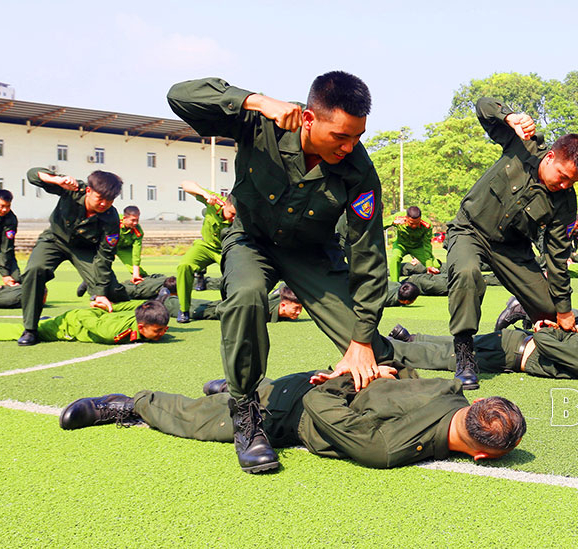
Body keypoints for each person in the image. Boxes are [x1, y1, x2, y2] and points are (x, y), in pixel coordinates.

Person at [168, 72, 393, 473]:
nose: (349, 146)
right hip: (252, 241)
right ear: (309, 119)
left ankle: (242, 384)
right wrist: (254, 100)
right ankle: (245, 411)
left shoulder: (358, 170)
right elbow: (180, 96)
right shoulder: (261, 123)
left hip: (311, 253)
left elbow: (368, 253)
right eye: (340, 136)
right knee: (246, 297)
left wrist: (360, 340)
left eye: (357, 136)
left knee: (373, 351)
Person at [58, 373, 526, 471]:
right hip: (304, 400)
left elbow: (402, 376)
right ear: (483, 454)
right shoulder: (392, 446)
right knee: (203, 423)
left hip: (319, 392)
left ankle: (238, 387)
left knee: (241, 399)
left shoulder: (450, 393)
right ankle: (130, 403)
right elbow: (323, 405)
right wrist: (354, 377)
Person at [445, 96, 578, 390]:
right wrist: (509, 116)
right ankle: (464, 352)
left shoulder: (565, 202)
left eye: (572, 182)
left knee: (553, 314)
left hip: (511, 249)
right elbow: (483, 106)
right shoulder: (522, 144)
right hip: (470, 230)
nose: (564, 185)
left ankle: (520, 308)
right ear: (551, 157)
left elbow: (556, 256)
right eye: (562, 177)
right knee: (467, 274)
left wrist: (563, 309)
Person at [18, 168, 123, 346]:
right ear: (89, 191)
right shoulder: (73, 189)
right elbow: (32, 175)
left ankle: (89, 279)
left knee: (110, 288)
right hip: (55, 240)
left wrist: (99, 292)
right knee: (34, 271)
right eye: (100, 198)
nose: (104, 204)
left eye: (110, 200)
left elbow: (105, 256)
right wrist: (56, 180)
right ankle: (30, 329)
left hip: (85, 250)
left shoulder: (111, 218)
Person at [389, 322, 578, 380]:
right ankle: (388, 347)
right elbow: (545, 342)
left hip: (513, 343)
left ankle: (410, 337)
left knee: (456, 346)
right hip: (512, 352)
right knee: (440, 358)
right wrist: (549, 329)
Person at [174, 180, 236, 323]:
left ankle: (230, 307)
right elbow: (185, 184)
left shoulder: (243, 215)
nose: (233, 218)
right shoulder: (214, 201)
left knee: (236, 272)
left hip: (226, 250)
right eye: (231, 213)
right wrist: (205, 194)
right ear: (225, 204)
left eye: (236, 216)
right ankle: (184, 309)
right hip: (205, 246)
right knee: (184, 266)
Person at [1, 300, 168, 343]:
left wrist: (113, 307)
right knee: (30, 331)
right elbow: (83, 316)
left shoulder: (146, 316)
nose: (162, 334)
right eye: (158, 331)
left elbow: (140, 304)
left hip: (99, 316)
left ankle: (47, 320)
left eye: (163, 330)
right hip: (72, 324)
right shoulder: (112, 333)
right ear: (141, 326)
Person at [116, 284, 302, 322]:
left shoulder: (279, 306)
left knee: (204, 307)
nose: (298, 313)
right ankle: (166, 299)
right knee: (201, 310)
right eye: (297, 309)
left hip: (230, 306)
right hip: (229, 306)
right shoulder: (266, 305)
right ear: (283, 305)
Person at [385, 206, 440, 282]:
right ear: (406, 218)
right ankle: (395, 285)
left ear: (420, 218)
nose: (414, 226)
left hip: (417, 247)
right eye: (411, 223)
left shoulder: (427, 225)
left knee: (435, 265)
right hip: (401, 245)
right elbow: (380, 225)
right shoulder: (398, 217)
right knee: (394, 259)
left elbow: (427, 245)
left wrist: (429, 265)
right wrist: (392, 222)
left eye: (417, 223)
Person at [117, 206, 147, 282]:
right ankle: (86, 285)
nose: (135, 223)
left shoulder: (138, 232)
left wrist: (136, 274)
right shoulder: (114, 221)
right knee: (101, 268)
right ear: (124, 218)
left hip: (124, 249)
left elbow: (136, 253)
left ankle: (147, 283)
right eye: (133, 220)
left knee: (138, 272)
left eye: (137, 220)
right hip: (108, 245)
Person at [0, 189, 20, 286]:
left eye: (8, 206)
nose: (4, 210)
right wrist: (5, 274)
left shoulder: (11, 219)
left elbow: (6, 247)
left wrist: (6, 274)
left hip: (4, 250)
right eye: (2, 206)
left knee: (16, 279)